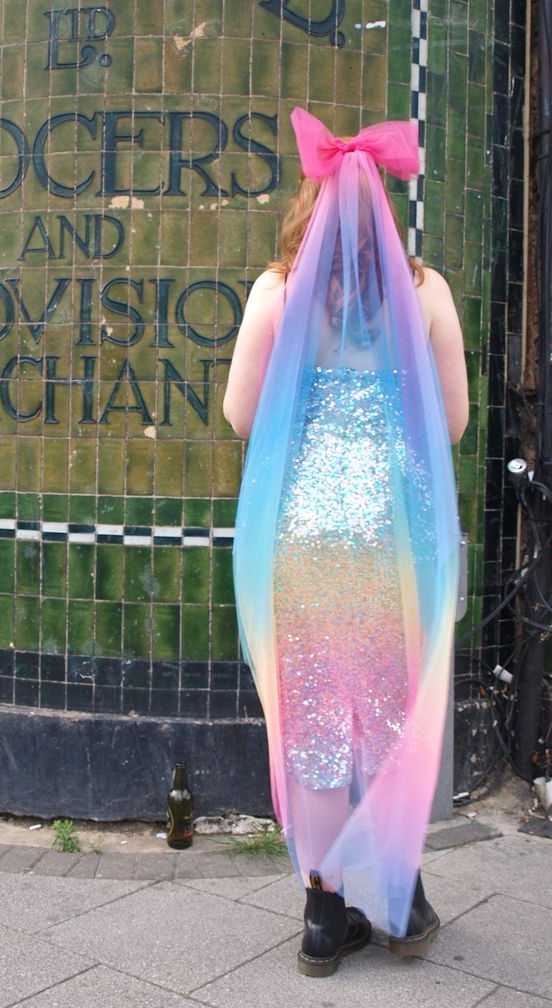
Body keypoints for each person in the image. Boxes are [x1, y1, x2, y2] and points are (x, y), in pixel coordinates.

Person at [224, 110, 468, 978]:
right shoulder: (425, 290)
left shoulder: (277, 292)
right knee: (390, 707)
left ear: (310, 206)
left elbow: (241, 416)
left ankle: (325, 913)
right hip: (394, 536)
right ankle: (402, 899)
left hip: (304, 534)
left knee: (315, 712)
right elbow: (456, 421)